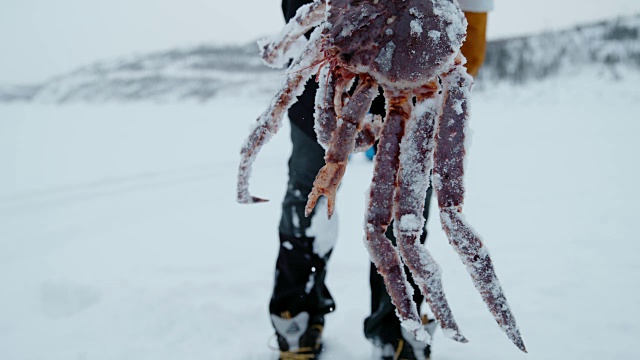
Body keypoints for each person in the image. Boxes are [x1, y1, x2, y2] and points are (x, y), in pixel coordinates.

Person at [270, 1, 492, 359]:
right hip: (333, 63)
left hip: (413, 70)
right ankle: (298, 318)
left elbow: (471, 16)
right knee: (313, 195)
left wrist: (447, 66)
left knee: (401, 212)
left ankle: (396, 330)